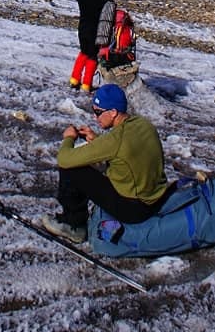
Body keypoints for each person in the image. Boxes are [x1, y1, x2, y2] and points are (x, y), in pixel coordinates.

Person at [41, 84, 172, 243]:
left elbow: (65, 158)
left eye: (98, 112)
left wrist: (69, 138)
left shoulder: (116, 140)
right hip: (155, 199)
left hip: (135, 209)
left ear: (113, 112)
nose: (94, 117)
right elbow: (124, 152)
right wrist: (96, 140)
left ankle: (73, 225)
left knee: (72, 169)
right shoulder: (143, 124)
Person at [64, 0, 113, 93]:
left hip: (83, 28)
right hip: (97, 30)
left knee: (83, 52)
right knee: (92, 56)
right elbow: (112, 8)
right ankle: (86, 84)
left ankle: (74, 80)